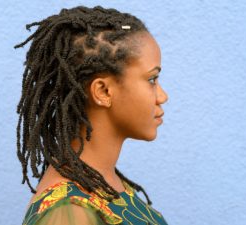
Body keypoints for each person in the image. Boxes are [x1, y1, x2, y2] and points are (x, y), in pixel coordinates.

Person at [14, 5, 169, 225]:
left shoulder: (103, 181)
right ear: (103, 92)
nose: (162, 96)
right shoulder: (69, 213)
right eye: (152, 80)